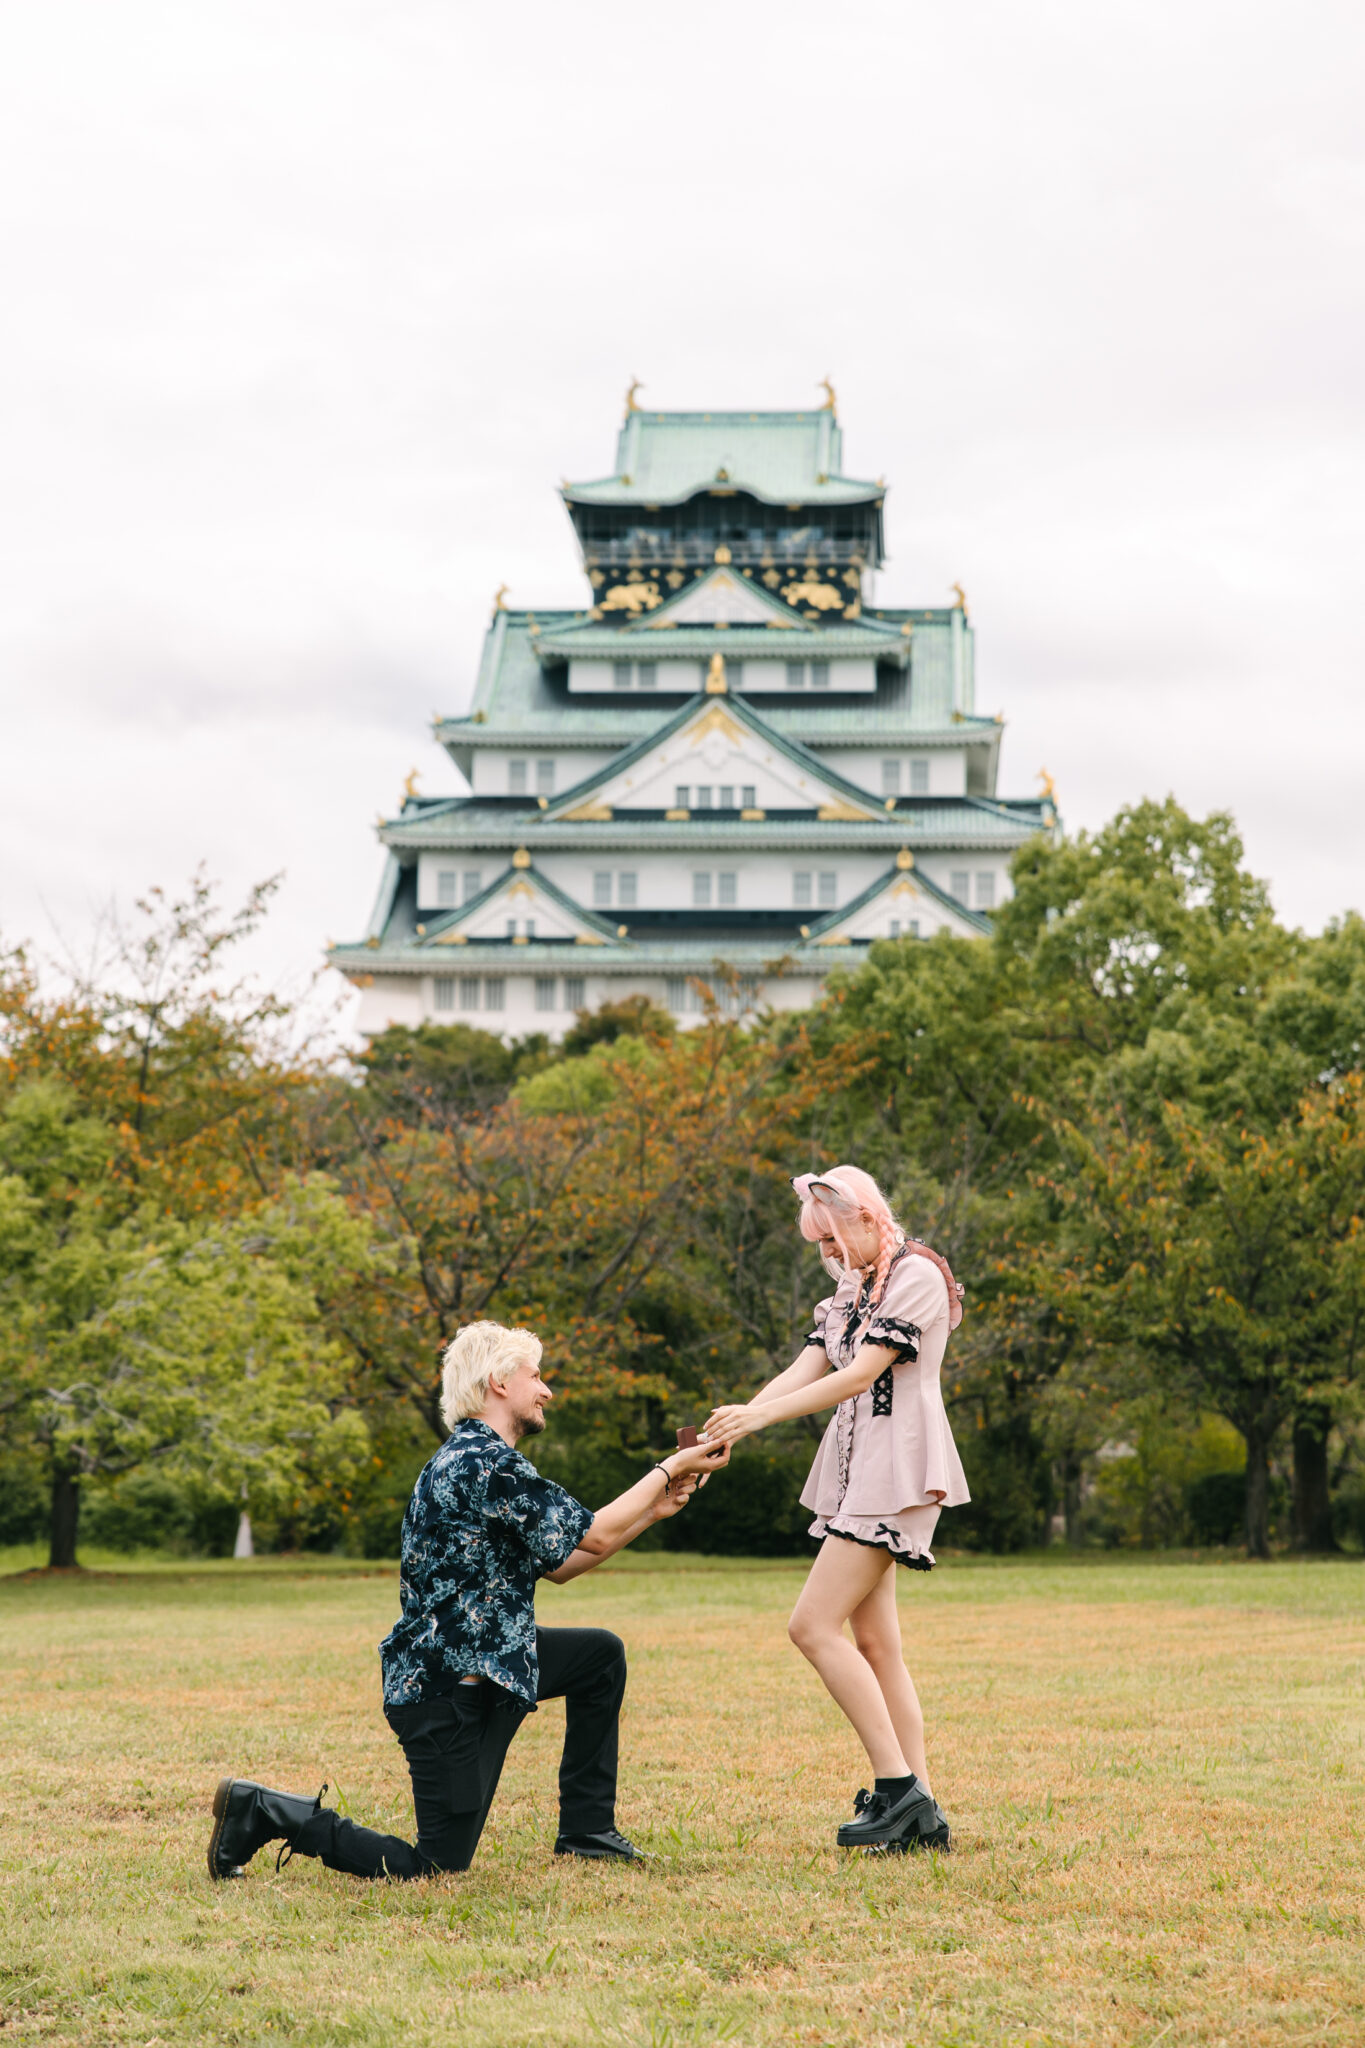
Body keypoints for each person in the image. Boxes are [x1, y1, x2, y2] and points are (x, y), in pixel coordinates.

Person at [208, 1319, 727, 1882]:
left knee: (599, 1656)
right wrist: (669, 1467)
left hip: (495, 1668)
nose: (546, 1389)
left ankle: (587, 1830)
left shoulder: (479, 1461)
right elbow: (594, 1535)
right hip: (444, 1693)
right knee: (434, 1864)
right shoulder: (484, 1463)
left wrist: (653, 1510)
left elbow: (564, 1566)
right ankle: (262, 1809)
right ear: (499, 1382)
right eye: (535, 1375)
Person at [704, 1167, 968, 1854]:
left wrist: (756, 1421)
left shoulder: (916, 1275)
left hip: (898, 1464)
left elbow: (858, 1374)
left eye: (831, 1240)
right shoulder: (855, 1285)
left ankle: (897, 1789)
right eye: (818, 1245)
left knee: (811, 1625)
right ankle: (923, 1810)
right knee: (877, 1645)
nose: (828, 1257)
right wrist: (735, 1419)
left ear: (860, 1218)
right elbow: (810, 1363)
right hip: (858, 1467)